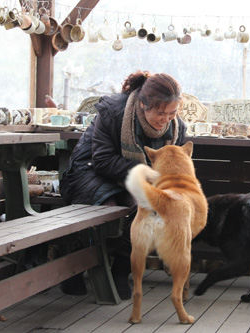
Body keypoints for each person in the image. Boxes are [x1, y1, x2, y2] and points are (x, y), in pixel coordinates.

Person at [59, 70, 187, 299]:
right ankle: (72, 270)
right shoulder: (113, 112)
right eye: (160, 113)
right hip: (90, 171)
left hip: (134, 178)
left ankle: (120, 271)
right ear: (142, 104)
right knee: (104, 209)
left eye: (172, 113)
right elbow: (102, 160)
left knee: (144, 210)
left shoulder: (176, 128)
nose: (166, 119)